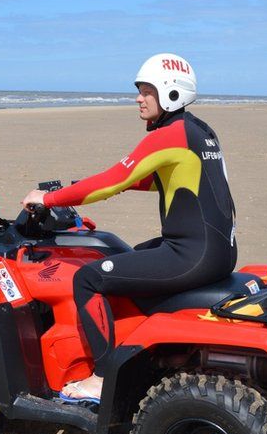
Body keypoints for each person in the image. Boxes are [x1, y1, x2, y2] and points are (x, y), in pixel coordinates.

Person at [21, 53, 237, 404]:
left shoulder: (168, 134)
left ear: (170, 92)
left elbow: (111, 180)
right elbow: (158, 180)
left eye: (146, 90)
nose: (138, 98)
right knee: (132, 256)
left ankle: (103, 377)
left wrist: (50, 198)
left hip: (191, 255)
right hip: (218, 251)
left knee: (88, 279)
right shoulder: (198, 130)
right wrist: (93, 184)